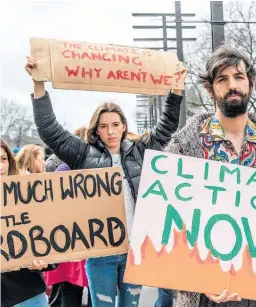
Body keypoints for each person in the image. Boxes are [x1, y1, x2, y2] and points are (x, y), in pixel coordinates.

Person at [25, 55, 187, 307]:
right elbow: (49, 129)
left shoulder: (139, 151)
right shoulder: (82, 154)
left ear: (124, 126)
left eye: (115, 125)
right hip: (100, 254)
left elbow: (166, 126)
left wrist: (176, 88)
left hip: (135, 251)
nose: (110, 131)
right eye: (103, 126)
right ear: (96, 129)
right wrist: (38, 85)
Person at [164, 44, 256, 307]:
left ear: (250, 84)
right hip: (207, 295)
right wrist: (197, 280)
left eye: (239, 77)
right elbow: (169, 222)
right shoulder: (184, 146)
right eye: (222, 79)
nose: (232, 85)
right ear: (211, 89)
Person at [1, 139, 58, 307]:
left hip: (26, 294)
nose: (0, 167)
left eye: (3, 159)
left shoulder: (29, 196)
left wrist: (45, 261)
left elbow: (52, 239)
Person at [44, 127, 91, 307]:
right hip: (71, 244)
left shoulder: (93, 169)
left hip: (81, 242)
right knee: (73, 293)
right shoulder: (63, 171)